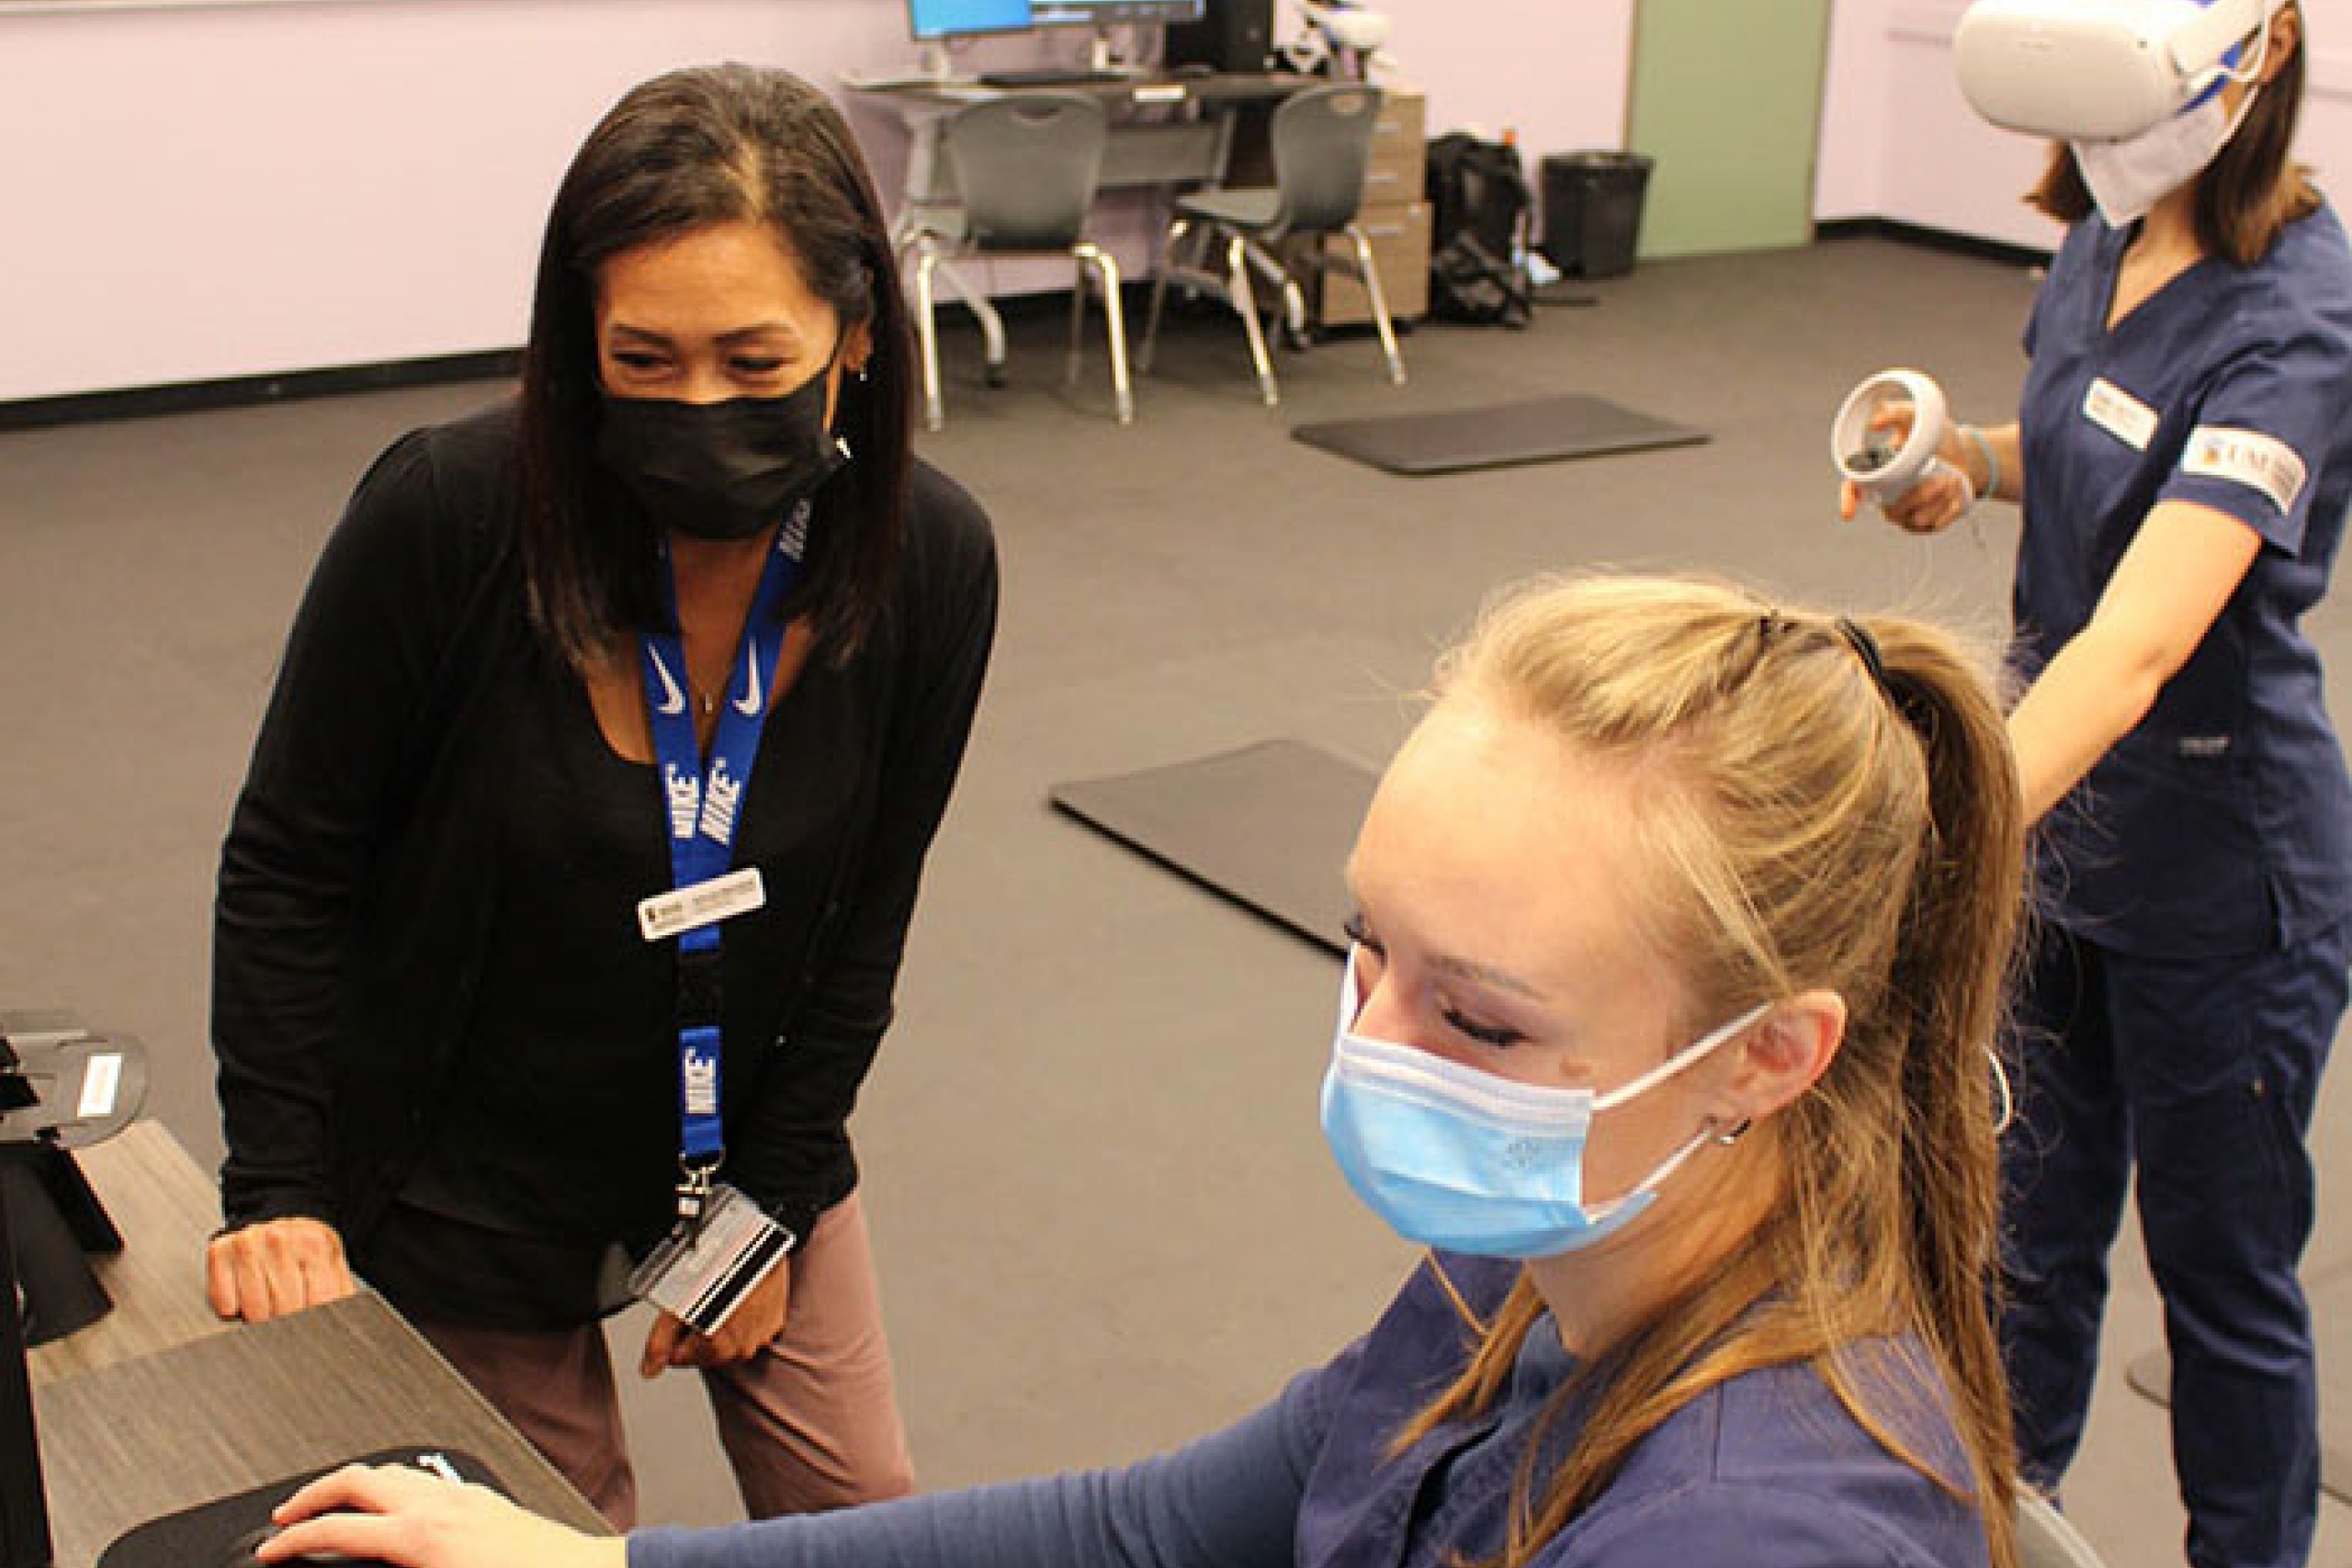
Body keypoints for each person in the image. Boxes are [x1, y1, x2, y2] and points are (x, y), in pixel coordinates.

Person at [250, 573, 2028, 1568]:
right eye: (1362, 951)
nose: (1370, 1050)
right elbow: (1146, 1534)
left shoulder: (1748, 1534)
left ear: (1770, 1057)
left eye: (1480, 1022)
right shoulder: (1540, 1268)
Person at [205, 63, 999, 1528]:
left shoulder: (929, 564)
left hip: (753, 1128)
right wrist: (280, 1192)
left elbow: (865, 922)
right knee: (547, 1542)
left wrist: (766, 1205)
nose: (701, 404)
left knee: (870, 1519)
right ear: (581, 350)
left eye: (755, 366)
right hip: (467, 1165)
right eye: (647, 363)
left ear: (860, 341)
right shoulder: (443, 519)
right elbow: (288, 870)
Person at [1842, 6, 2352, 1565]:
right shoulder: (2101, 242)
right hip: (2063, 838)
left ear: (2256, 59)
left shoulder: (2299, 316)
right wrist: (1968, 467)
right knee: (2032, 1237)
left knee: (2223, 1282)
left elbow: (2135, 649)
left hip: (2221, 867)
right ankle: (2005, 1525)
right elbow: (2080, 432)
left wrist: (1932, 829)